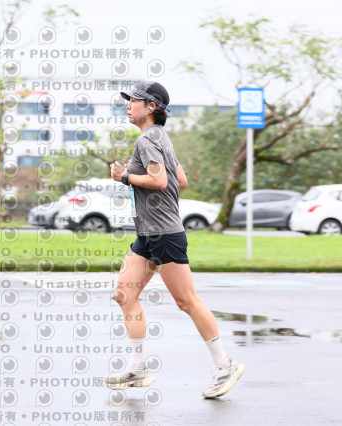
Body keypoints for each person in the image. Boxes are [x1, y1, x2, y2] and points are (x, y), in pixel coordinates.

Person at [102, 81, 245, 399]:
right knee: (124, 295)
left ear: (150, 107)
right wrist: (139, 178)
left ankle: (225, 364)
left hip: (165, 234)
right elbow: (181, 179)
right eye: (128, 100)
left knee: (187, 301)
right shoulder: (159, 137)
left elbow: (159, 180)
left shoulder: (148, 139)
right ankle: (137, 366)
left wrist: (125, 177)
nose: (128, 105)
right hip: (147, 235)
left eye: (134, 100)